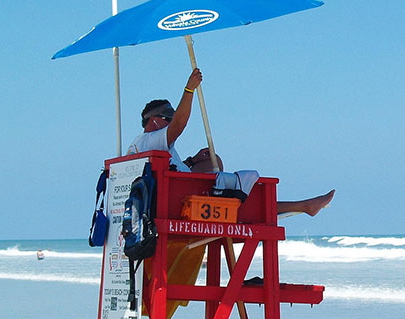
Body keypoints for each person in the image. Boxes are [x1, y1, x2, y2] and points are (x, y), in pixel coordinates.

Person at [126, 68, 334, 216]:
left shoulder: (145, 146)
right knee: (250, 198)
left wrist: (191, 161)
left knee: (213, 161)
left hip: (172, 195)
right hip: (181, 204)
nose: (171, 119)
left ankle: (305, 206)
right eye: (167, 116)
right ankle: (304, 206)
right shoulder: (149, 140)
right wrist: (189, 90)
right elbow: (179, 124)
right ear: (153, 120)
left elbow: (167, 169)